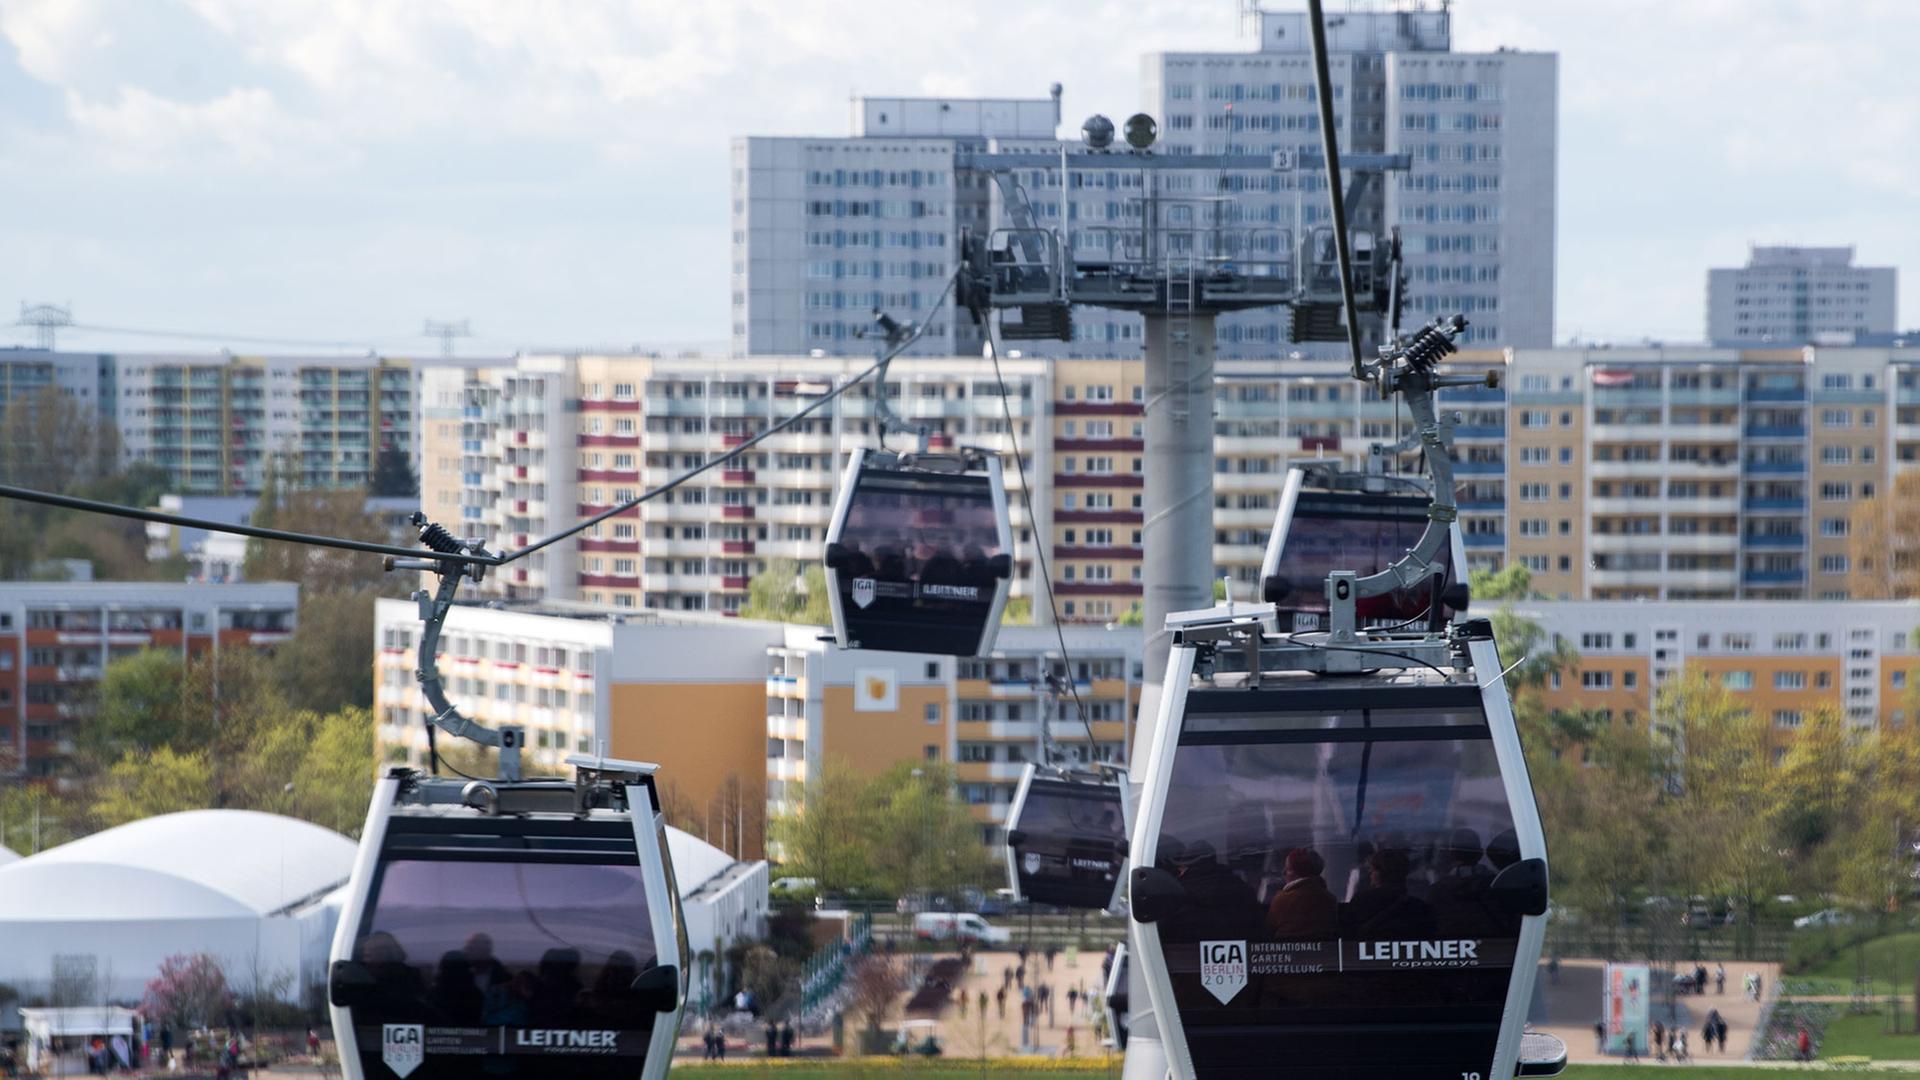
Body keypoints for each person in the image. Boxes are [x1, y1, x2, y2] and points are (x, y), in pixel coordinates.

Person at [1265, 847, 1339, 939]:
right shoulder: (1330, 900)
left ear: (1299, 873)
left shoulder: (1282, 900)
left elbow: (1268, 930)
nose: (1283, 872)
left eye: (1289, 869)